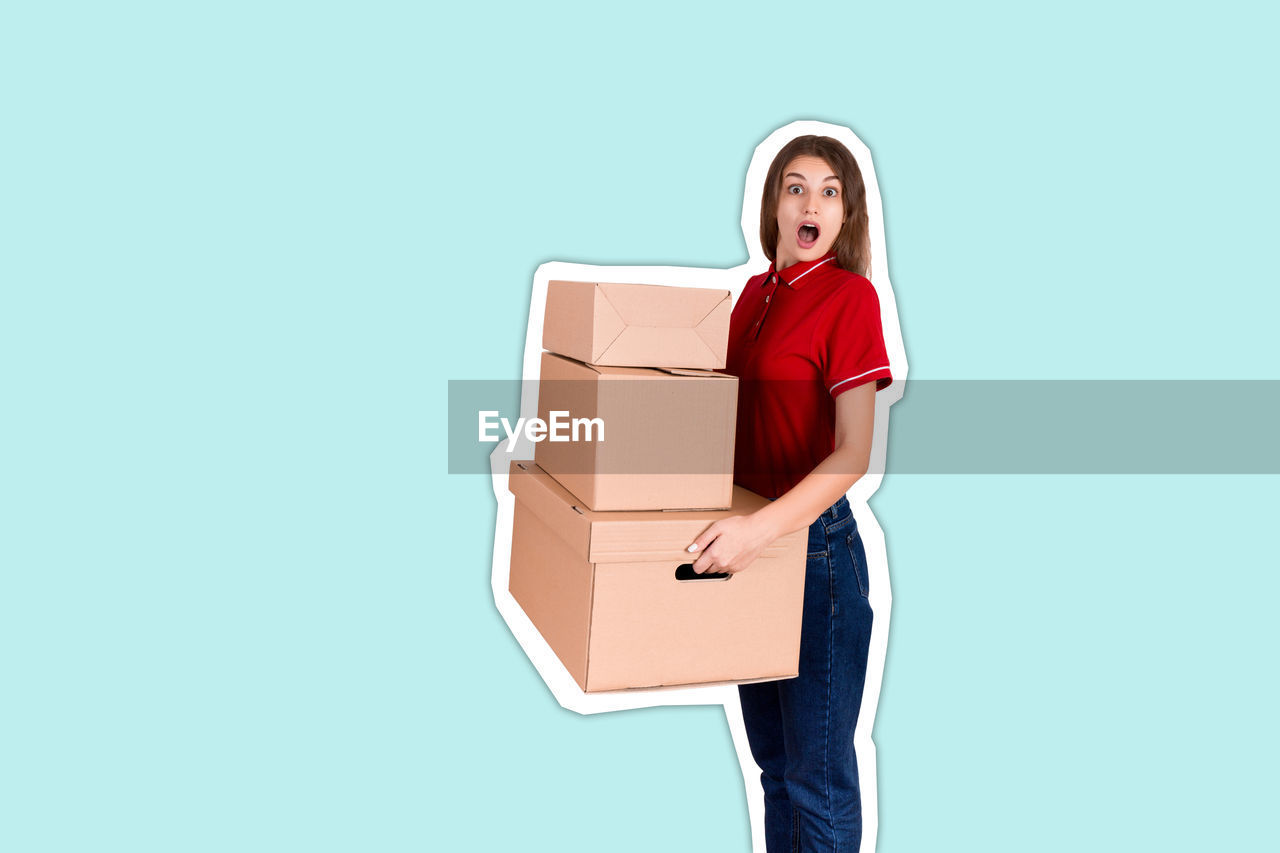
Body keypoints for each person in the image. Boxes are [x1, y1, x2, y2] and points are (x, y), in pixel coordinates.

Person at [687, 134, 893, 852]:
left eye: (830, 190)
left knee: (818, 780)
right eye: (795, 187)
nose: (811, 202)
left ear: (847, 214)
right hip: (751, 552)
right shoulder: (753, 296)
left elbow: (855, 454)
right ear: (773, 205)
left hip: (815, 561)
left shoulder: (849, 297)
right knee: (775, 769)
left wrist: (757, 531)